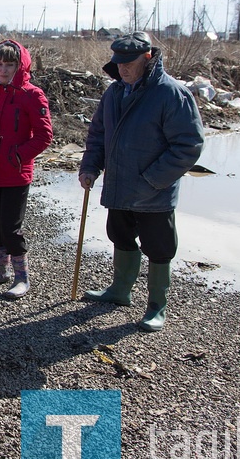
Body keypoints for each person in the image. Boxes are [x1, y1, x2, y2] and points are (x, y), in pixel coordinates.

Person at [79, 31, 204, 332]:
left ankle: (156, 306)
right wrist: (90, 167)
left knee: (159, 248)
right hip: (120, 186)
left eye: (129, 62)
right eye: (118, 62)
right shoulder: (113, 93)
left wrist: (153, 179)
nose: (122, 68)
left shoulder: (171, 93)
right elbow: (98, 135)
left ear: (147, 58)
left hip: (154, 192)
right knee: (119, 236)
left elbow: (188, 145)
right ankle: (120, 291)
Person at [0, 40, 53, 300]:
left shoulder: (32, 94)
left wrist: (18, 155)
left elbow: (44, 135)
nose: (3, 69)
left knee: (11, 226)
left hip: (16, 173)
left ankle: (22, 277)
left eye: (9, 64)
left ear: (20, 66)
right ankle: (0, 270)